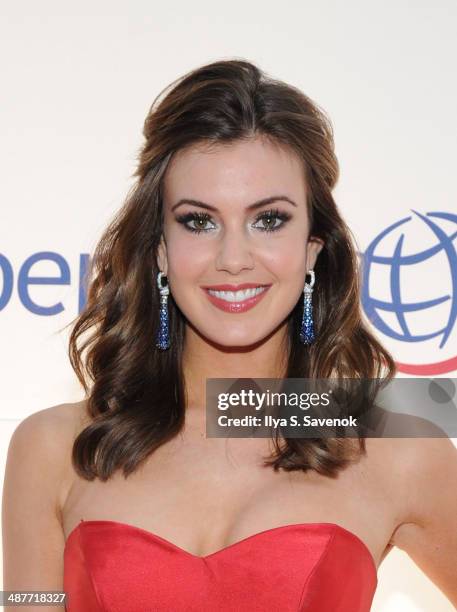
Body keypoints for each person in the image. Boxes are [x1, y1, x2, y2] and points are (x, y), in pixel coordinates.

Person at [3, 58, 457, 612]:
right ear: (160, 251)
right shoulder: (52, 448)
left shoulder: (396, 450)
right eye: (199, 220)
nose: (233, 259)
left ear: (313, 247)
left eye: (269, 219)